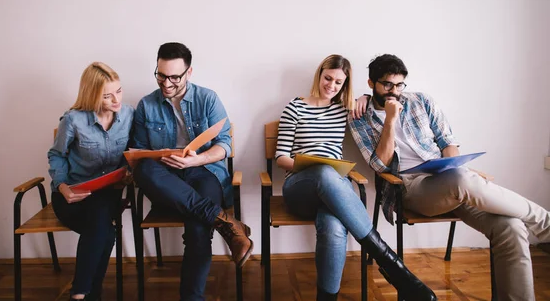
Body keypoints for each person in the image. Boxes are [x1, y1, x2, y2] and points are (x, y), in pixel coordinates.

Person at [349, 54, 550, 301]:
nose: (395, 91)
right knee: (462, 179)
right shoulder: (359, 116)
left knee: (511, 227)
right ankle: (545, 224)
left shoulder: (421, 101)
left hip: (446, 179)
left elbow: (447, 141)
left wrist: (450, 164)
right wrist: (390, 119)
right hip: (409, 187)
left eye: (400, 84)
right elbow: (380, 165)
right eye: (387, 85)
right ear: (371, 84)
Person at [276, 54, 436, 301]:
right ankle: (394, 268)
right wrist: (307, 164)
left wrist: (364, 97)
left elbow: (377, 100)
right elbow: (280, 157)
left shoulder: (345, 109)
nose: (331, 85)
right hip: (299, 187)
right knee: (323, 172)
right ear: (319, 75)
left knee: (334, 226)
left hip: (333, 191)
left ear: (345, 85)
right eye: (328, 78)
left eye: (339, 82)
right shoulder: (294, 107)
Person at [131, 42, 253, 301]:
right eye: (161, 75)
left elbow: (225, 145)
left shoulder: (207, 98)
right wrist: (159, 157)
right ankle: (227, 223)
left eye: (174, 77)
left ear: (189, 72)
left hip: (204, 173)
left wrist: (196, 161)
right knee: (144, 170)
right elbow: (139, 152)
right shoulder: (146, 105)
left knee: (198, 228)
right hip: (166, 180)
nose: (166, 83)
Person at [48, 62, 134, 301]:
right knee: (105, 231)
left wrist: (129, 171)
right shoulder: (74, 120)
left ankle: (80, 293)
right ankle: (87, 293)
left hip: (107, 194)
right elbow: (56, 155)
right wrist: (63, 187)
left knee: (101, 218)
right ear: (92, 95)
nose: (116, 100)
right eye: (107, 96)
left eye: (118, 91)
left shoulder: (128, 115)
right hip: (72, 195)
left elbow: (134, 152)